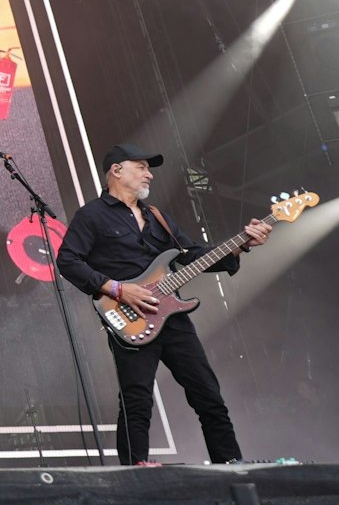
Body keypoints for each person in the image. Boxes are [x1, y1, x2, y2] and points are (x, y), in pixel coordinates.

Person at [55, 143, 274, 465]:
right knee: (136, 401)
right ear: (117, 170)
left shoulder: (157, 217)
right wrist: (118, 289)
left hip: (172, 318)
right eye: (141, 167)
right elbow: (68, 261)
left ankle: (231, 469)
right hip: (129, 319)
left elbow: (195, 256)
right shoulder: (92, 216)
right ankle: (134, 475)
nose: (150, 174)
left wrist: (242, 244)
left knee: (209, 397)